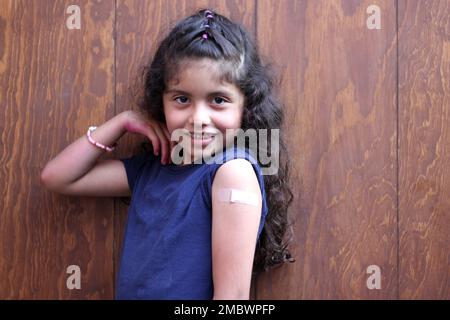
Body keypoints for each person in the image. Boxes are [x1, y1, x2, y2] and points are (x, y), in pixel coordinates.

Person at [41, 9, 294, 300]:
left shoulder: (232, 173)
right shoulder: (153, 168)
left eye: (218, 100)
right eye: (182, 99)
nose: (199, 118)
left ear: (245, 106)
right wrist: (121, 122)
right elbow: (57, 178)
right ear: (161, 102)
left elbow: (232, 298)